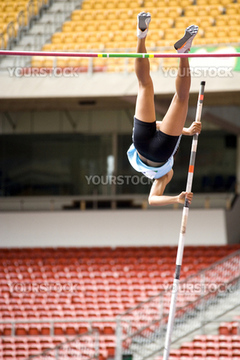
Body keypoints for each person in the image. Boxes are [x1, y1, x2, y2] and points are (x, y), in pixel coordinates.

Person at [127, 12, 201, 207]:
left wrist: (177, 198)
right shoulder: (151, 171)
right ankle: (141, 35)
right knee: (144, 84)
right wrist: (186, 131)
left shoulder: (167, 173)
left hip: (161, 152)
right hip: (140, 142)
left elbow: (153, 200)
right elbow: (151, 198)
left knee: (182, 98)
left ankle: (183, 54)